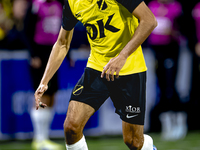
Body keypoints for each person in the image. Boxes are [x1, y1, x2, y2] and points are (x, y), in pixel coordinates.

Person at [34, 0, 157, 149]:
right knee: (71, 127)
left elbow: (149, 21)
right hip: (97, 68)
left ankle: (147, 145)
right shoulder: (72, 3)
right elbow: (62, 43)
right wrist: (44, 81)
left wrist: (122, 56)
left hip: (129, 69)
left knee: (133, 142)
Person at [24, 0, 64, 149]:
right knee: (41, 93)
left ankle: (44, 137)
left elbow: (64, 31)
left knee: (52, 95)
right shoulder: (36, 5)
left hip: (54, 54)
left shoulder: (59, 4)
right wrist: (33, 54)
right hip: (39, 55)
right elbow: (26, 30)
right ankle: (39, 138)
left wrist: (69, 54)